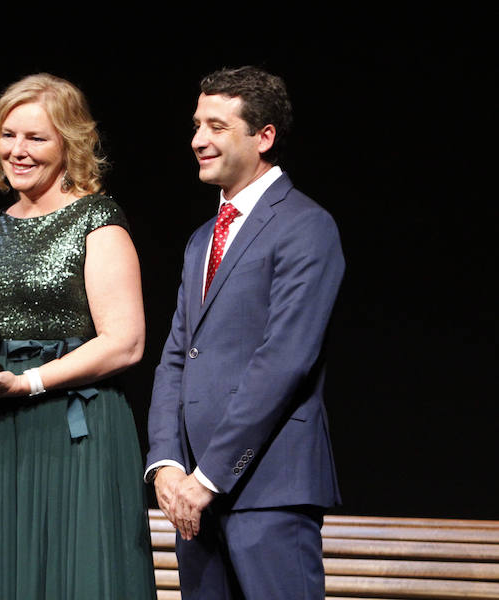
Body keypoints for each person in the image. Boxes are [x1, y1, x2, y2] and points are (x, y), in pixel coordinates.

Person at [0, 73, 156, 599]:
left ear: (68, 142)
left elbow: (125, 341)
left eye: (36, 138)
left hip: (75, 431)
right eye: (8, 135)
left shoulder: (97, 220)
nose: (17, 151)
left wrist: (30, 383)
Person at [145, 66, 345, 599]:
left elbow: (285, 360)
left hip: (267, 489)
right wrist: (166, 464)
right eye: (195, 125)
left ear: (264, 136)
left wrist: (208, 477)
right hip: (191, 498)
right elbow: (176, 358)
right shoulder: (201, 239)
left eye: (216, 126)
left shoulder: (306, 226)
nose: (197, 140)